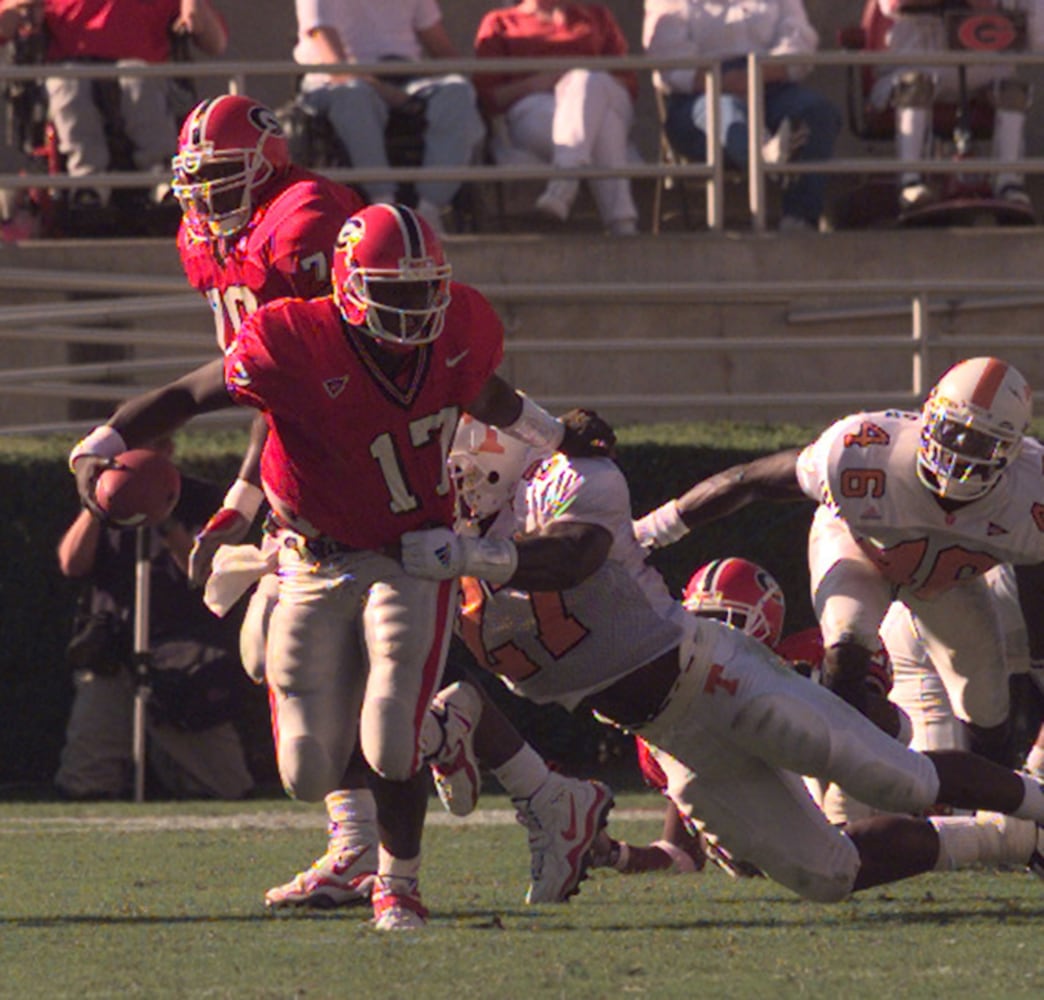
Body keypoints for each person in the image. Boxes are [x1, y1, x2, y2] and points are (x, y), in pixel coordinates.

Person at [69, 201, 613, 931]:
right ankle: (450, 731)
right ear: (350, 288)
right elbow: (187, 396)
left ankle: (399, 884)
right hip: (309, 557)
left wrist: (557, 436)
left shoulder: (458, 330)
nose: (415, 307)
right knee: (307, 771)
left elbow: (489, 397)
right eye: (396, 290)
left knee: (390, 735)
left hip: (411, 552)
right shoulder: (294, 339)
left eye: (425, 289)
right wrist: (100, 443)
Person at [401, 417, 1044, 904]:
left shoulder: (568, 485)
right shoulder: (455, 556)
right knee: (827, 875)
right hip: (670, 739)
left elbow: (572, 555)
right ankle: (1010, 840)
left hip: (711, 677)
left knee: (901, 782)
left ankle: (1035, 811)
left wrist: (474, 552)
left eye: (457, 470)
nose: (451, 486)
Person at [633, 356, 1044, 771]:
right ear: (929, 415)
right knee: (847, 644)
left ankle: (997, 803)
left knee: (987, 706)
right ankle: (844, 775)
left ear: (1012, 450)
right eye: (952, 430)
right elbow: (751, 480)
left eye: (981, 442)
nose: (959, 450)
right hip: (861, 547)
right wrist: (651, 529)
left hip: (947, 584)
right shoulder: (863, 452)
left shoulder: (1033, 494)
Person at [54, 440, 254, 801]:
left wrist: (163, 519)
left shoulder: (201, 498)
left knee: (225, 784)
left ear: (169, 448)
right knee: (86, 779)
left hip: (185, 655)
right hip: (112, 648)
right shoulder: (101, 499)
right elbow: (72, 563)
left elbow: (206, 573)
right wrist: (98, 504)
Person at [0, 0, 228, 209]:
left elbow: (216, 44)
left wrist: (193, 6)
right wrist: (17, 10)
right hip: (70, 72)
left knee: (137, 79)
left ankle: (162, 178)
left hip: (144, 72)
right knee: (68, 84)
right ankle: (86, 184)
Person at [642, 0, 841, 231]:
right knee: (725, 111)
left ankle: (799, 221)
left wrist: (757, 75)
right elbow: (669, 58)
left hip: (769, 81)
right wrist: (725, 81)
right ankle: (766, 154)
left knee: (817, 111)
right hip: (699, 92)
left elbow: (799, 39)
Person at [292, 0, 486, 235]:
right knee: (353, 95)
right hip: (335, 82)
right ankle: (384, 210)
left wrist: (469, 84)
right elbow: (336, 66)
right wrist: (385, 91)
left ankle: (428, 213)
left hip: (406, 77)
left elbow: (441, 49)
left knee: (457, 92)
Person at [473, 0, 640, 236]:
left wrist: (577, 80)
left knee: (586, 81)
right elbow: (489, 97)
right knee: (602, 124)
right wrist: (540, 82)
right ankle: (623, 226)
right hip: (535, 107)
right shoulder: (501, 23)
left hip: (605, 95)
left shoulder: (597, 17)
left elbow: (628, 82)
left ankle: (565, 180)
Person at [870, 0, 1044, 212]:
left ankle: (1009, 183)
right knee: (915, 86)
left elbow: (1038, 36)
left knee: (1012, 93)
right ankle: (911, 182)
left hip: (984, 67)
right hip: (919, 60)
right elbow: (891, 5)